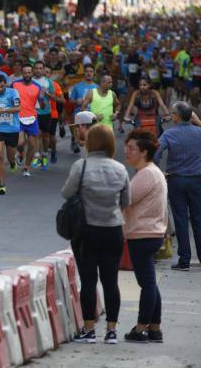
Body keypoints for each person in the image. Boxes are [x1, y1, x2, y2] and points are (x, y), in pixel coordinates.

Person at [61, 124, 130, 345]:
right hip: (112, 230)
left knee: (89, 281)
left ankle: (89, 330)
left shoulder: (80, 166)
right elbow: (126, 202)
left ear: (90, 142)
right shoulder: (120, 168)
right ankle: (111, 331)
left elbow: (67, 193)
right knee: (111, 281)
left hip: (86, 232)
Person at [122, 129, 168, 343]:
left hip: (143, 234)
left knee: (147, 283)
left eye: (131, 148)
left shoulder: (147, 174)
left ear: (144, 152)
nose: (126, 151)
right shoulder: (151, 172)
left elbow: (125, 200)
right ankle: (155, 328)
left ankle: (140, 327)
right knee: (149, 282)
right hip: (150, 233)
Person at [154, 101, 201, 271]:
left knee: (181, 220)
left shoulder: (169, 134)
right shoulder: (199, 132)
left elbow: (155, 153)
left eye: (172, 113)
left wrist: (158, 172)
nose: (170, 116)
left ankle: (184, 259)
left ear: (179, 116)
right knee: (198, 219)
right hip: (197, 180)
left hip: (176, 180)